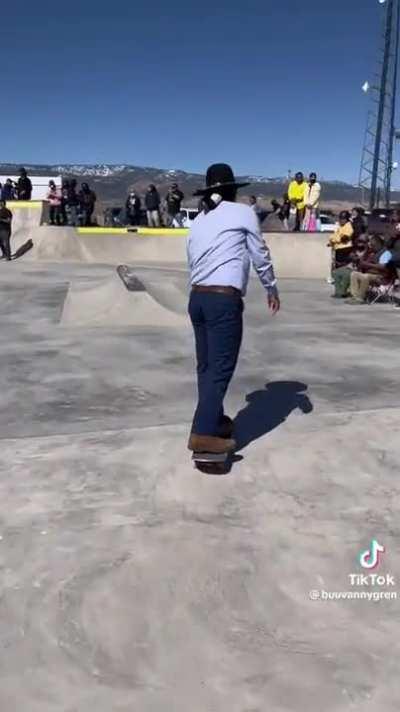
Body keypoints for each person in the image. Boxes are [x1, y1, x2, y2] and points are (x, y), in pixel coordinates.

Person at [187, 163, 280, 456]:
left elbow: (191, 257)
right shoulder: (243, 213)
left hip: (197, 298)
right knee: (221, 367)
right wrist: (271, 287)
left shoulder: (200, 219)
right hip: (222, 301)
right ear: (231, 190)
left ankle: (212, 420)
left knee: (206, 366)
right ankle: (202, 434)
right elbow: (259, 253)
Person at [348, 234, 393, 303]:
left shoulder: (386, 253)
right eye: (371, 245)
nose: (371, 247)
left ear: (379, 244)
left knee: (365, 276)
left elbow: (382, 266)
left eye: (373, 245)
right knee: (354, 274)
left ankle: (360, 298)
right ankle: (355, 296)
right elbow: (363, 262)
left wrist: (368, 264)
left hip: (382, 277)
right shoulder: (373, 253)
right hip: (371, 274)